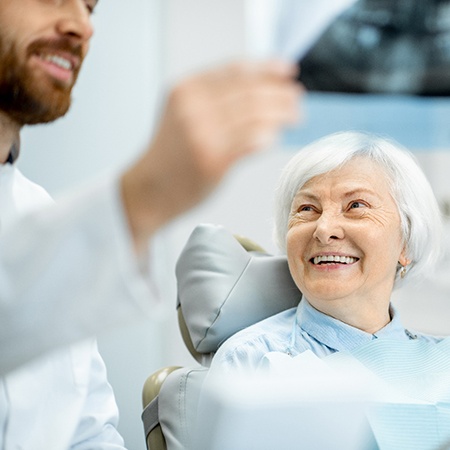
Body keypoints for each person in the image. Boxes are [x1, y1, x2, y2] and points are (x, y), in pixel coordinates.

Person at [0, 0, 300, 448]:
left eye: (90, 7)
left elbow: (86, 430)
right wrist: (143, 196)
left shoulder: (34, 209)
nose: (83, 26)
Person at [209, 131, 448, 447]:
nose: (324, 230)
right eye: (307, 209)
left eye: (356, 205)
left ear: (405, 241)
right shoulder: (254, 359)